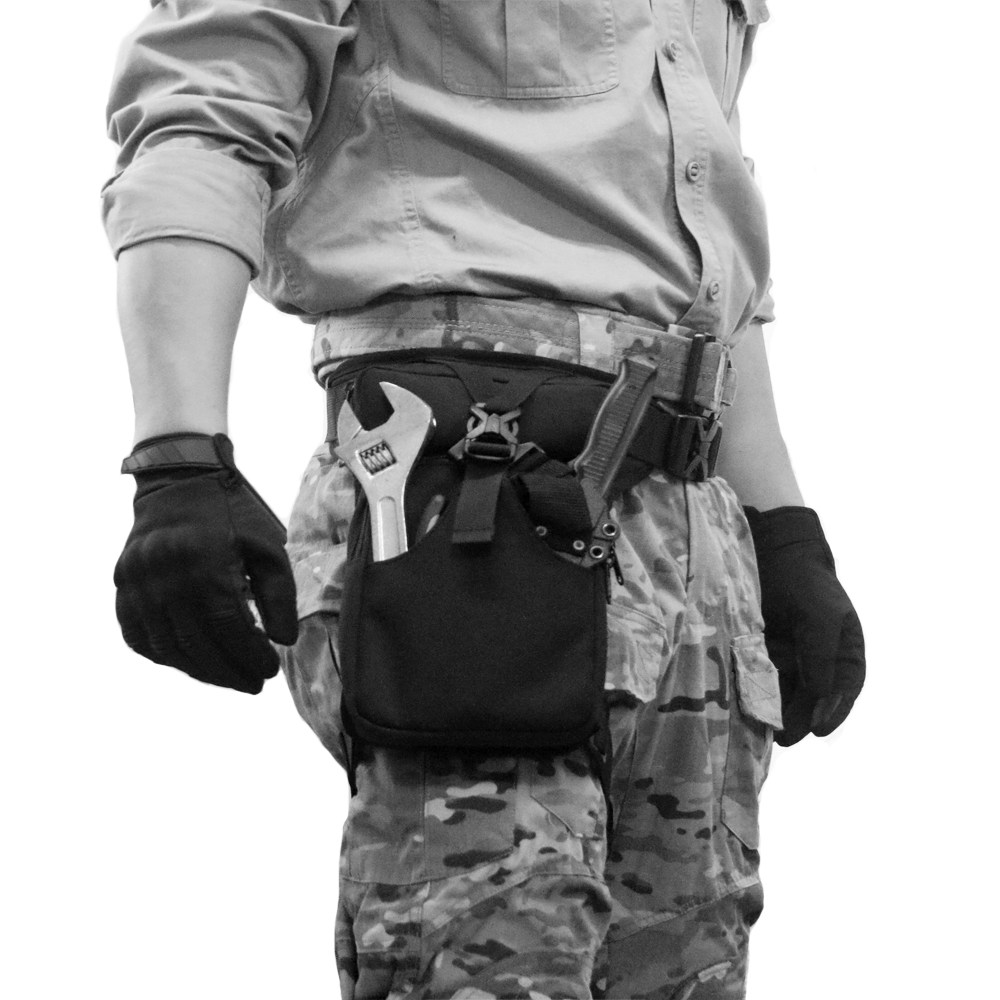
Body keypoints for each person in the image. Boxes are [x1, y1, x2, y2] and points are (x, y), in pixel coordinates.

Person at [103, 2, 865, 997]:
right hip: (467, 498)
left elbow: (704, 256)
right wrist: (178, 455)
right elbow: (207, 106)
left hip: (693, 535)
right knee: (484, 964)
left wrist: (782, 529)